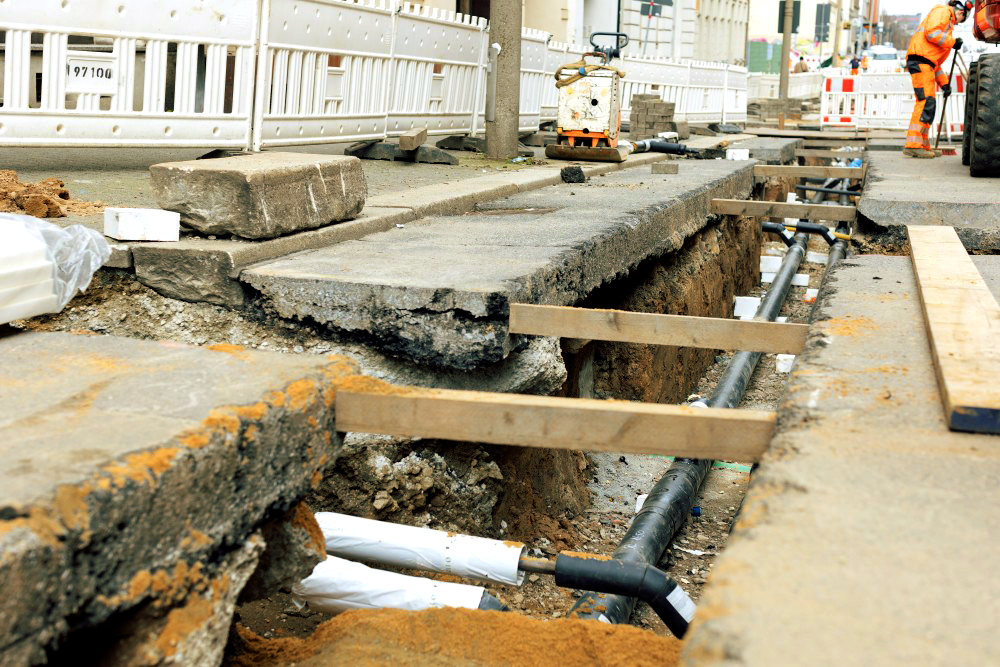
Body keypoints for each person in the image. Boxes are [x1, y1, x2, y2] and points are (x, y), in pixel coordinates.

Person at [903, 1, 971, 158]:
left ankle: (923, 145)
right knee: (925, 102)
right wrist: (952, 42)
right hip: (920, 61)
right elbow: (931, 33)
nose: (959, 22)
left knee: (929, 104)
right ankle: (913, 145)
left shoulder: (946, 24)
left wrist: (944, 84)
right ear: (961, 13)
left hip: (925, 63)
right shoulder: (943, 12)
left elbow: (936, 64)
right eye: (962, 19)